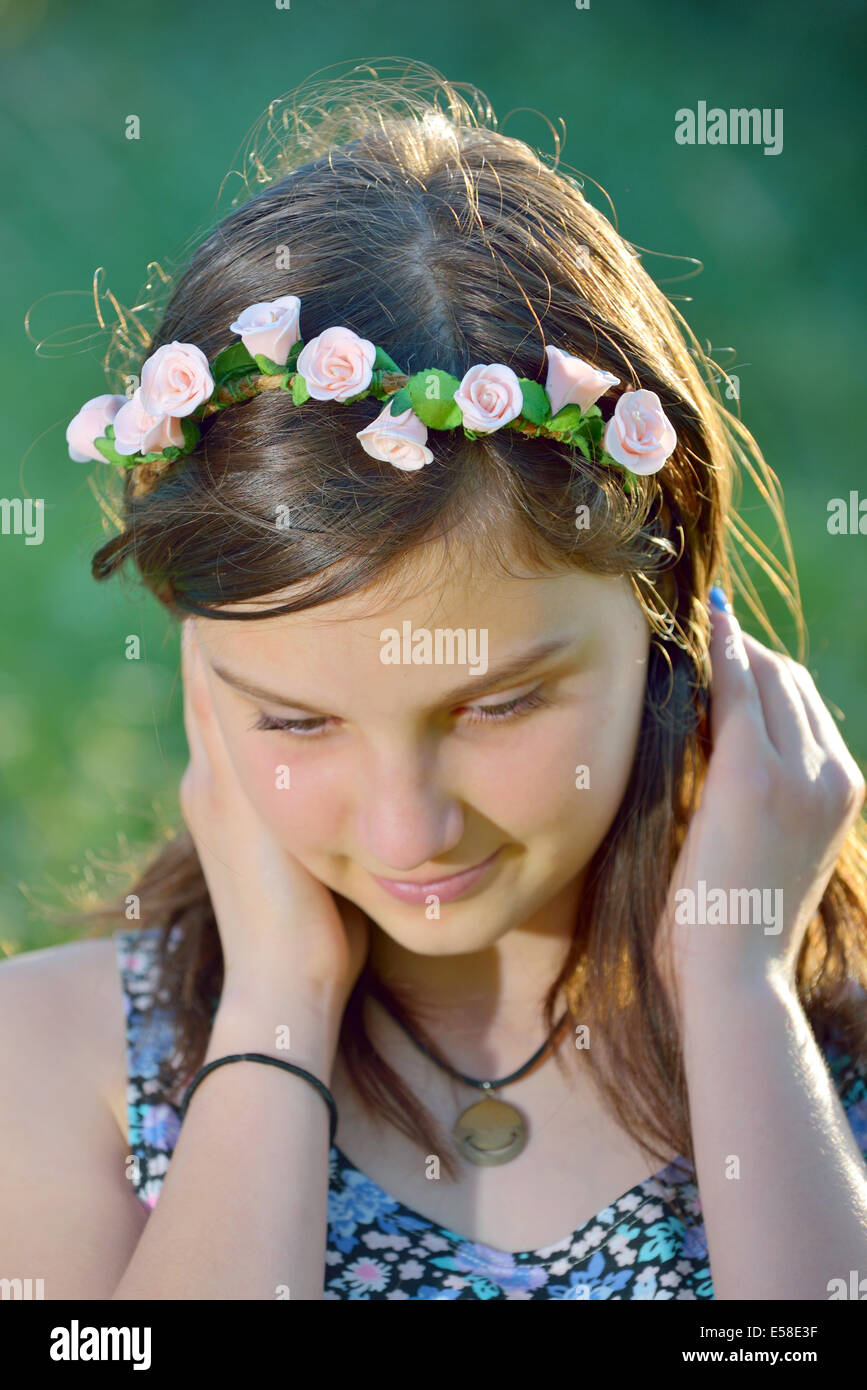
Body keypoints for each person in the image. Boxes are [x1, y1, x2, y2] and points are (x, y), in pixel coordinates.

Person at [2, 61, 866, 1302]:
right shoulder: (52, 1059)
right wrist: (275, 1016)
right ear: (202, 671)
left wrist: (737, 991)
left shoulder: (822, 1058)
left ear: (675, 625)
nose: (410, 826)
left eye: (500, 704)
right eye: (296, 716)